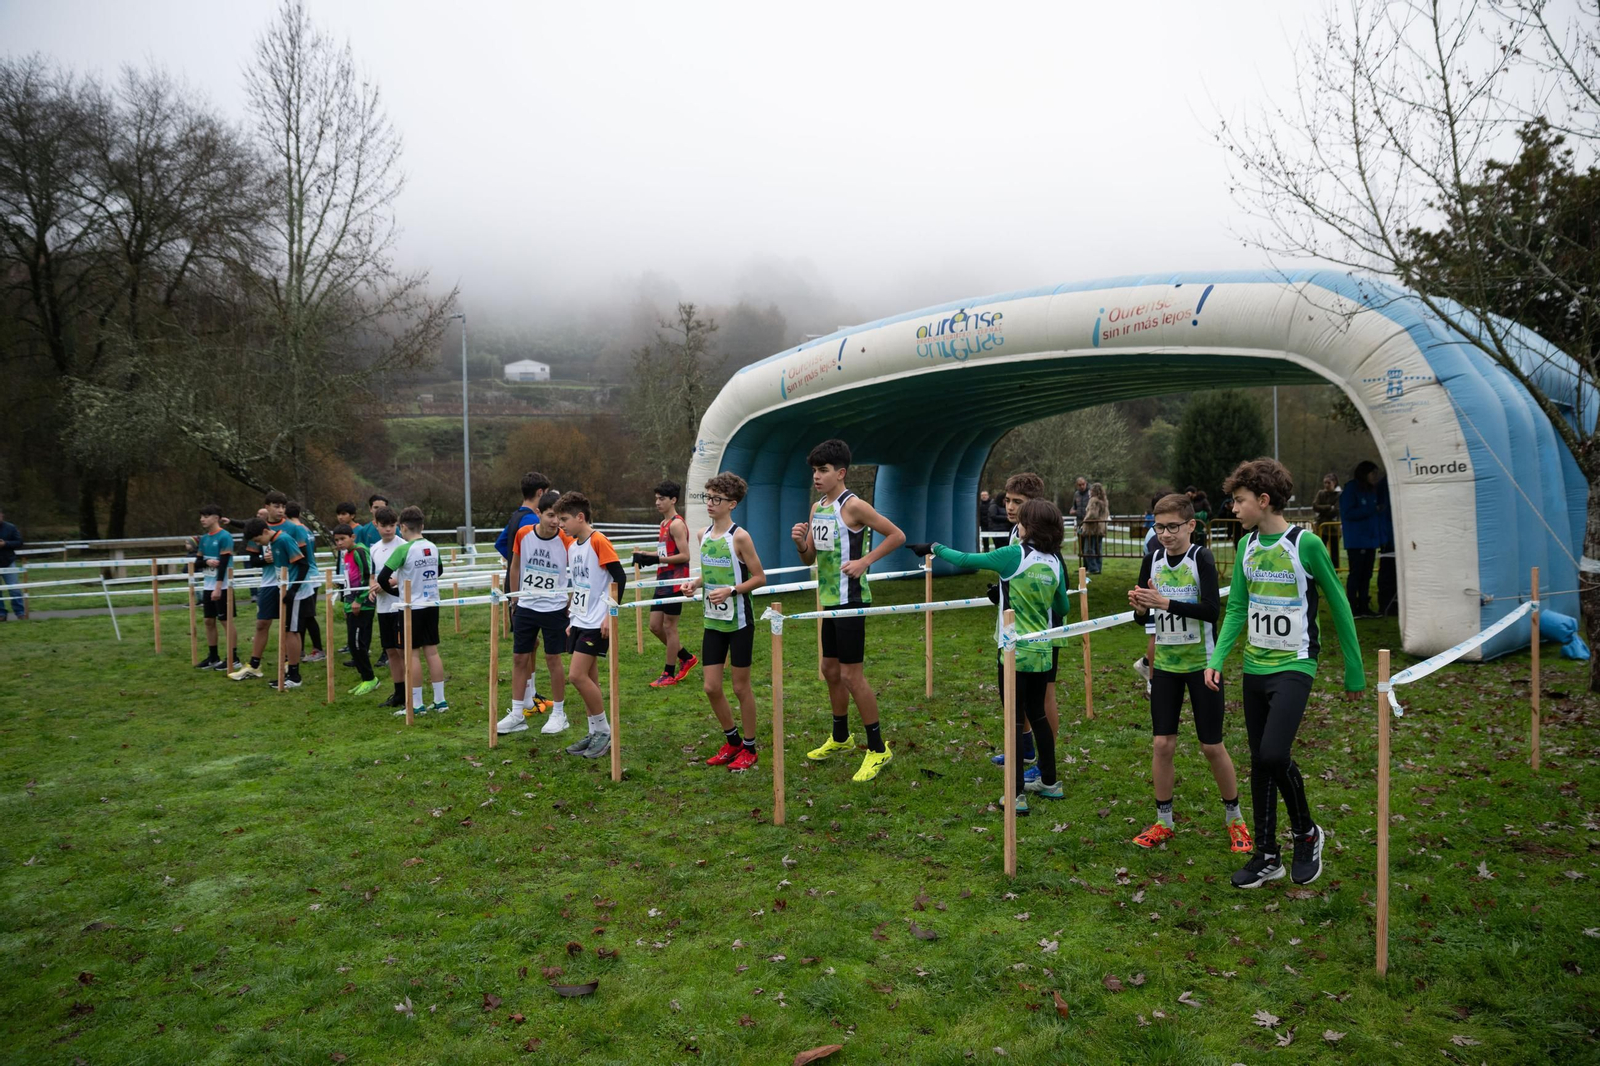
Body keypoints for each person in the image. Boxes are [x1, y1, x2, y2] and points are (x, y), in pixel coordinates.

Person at [1206, 458, 1364, 889]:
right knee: (1259, 761)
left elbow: (1339, 603)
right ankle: (1266, 855)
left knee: (1274, 754)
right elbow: (1238, 607)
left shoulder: (1305, 544)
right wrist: (1217, 658)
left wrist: (1355, 670)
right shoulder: (1246, 548)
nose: (1233, 509)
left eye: (1239, 501)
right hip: (1254, 666)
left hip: (1295, 664)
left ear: (1263, 500)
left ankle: (1307, 833)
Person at [911, 498, 1071, 814]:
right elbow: (1063, 608)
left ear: (1029, 527)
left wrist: (934, 547)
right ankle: (1050, 782)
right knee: (1037, 715)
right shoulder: (1054, 562)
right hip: (1042, 651)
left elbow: (966, 559)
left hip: (1013, 652)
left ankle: (1015, 795)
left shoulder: (1014, 554)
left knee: (1013, 720)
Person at [1127, 493, 1250, 854]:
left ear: (1191, 525)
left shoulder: (1202, 558)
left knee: (1211, 745)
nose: (1165, 534)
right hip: (1165, 665)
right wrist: (1139, 607)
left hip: (1202, 665)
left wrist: (1165, 602)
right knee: (1162, 744)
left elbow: (1212, 611)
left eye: (1172, 527)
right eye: (1158, 526)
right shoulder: (1152, 560)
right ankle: (1163, 821)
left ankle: (1236, 819)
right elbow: (1143, 617)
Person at [791, 439, 906, 783]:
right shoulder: (817, 508)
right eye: (814, 470)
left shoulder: (854, 506)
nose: (817, 476)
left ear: (840, 473)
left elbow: (896, 535)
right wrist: (800, 544)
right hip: (829, 599)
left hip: (852, 600)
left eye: (823, 470)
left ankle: (877, 748)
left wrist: (865, 561)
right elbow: (811, 557)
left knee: (852, 675)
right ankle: (841, 738)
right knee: (829, 669)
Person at [690, 472, 767, 771]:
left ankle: (749, 746)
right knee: (711, 687)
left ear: (731, 504)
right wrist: (696, 585)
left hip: (739, 622)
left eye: (716, 499)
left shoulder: (740, 537)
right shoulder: (703, 535)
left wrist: (732, 590)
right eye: (707, 497)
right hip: (713, 620)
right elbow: (709, 574)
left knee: (740, 687)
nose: (709, 503)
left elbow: (759, 578)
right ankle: (732, 741)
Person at [987, 472, 1059, 786]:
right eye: (1008, 500)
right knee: (1016, 701)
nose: (1011, 507)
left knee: (1043, 700)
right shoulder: (1014, 534)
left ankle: (1045, 766)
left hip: (1045, 633)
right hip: (1012, 631)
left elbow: (1056, 593)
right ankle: (1025, 749)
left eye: (1019, 502)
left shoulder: (1046, 540)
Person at [555, 491, 629, 759]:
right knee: (590, 678)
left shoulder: (599, 541)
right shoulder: (573, 546)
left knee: (576, 676)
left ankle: (605, 732)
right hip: (580, 620)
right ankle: (594, 731)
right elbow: (581, 585)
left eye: (564, 519)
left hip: (597, 622)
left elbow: (619, 578)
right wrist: (572, 617)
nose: (560, 524)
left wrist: (609, 614)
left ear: (580, 517)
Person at [498, 490, 573, 736]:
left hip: (554, 608)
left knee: (553, 659)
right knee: (520, 658)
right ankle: (517, 713)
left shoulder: (566, 539)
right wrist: (514, 597)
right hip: (527, 606)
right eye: (551, 515)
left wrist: (571, 603)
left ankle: (559, 713)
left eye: (559, 517)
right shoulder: (523, 534)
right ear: (538, 513)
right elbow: (516, 565)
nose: (555, 522)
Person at [374, 506, 449, 716]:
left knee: (412, 655)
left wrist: (395, 593)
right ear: (422, 526)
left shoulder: (403, 549)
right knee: (432, 652)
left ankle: (416, 705)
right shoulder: (433, 546)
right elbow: (439, 570)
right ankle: (440, 701)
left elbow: (382, 578)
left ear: (402, 527)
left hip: (411, 607)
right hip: (431, 604)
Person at [630, 481, 698, 688]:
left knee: (669, 627)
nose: (657, 502)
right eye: (656, 498)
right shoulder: (663, 524)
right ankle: (686, 657)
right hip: (663, 580)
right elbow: (664, 553)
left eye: (662, 498)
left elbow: (685, 555)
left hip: (676, 580)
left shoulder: (677, 524)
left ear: (673, 500)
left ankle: (668, 673)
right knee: (654, 626)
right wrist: (646, 556)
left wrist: (656, 560)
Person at [242, 514, 318, 690]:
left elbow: (303, 564)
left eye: (257, 539)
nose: (258, 543)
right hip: (284, 589)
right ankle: (289, 673)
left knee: (292, 632)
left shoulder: (284, 539)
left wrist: (293, 590)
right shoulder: (273, 542)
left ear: (265, 531)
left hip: (296, 593)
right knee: (287, 631)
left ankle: (294, 675)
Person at [229, 491, 289, 680]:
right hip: (269, 583)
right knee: (262, 623)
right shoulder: (258, 528)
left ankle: (289, 662)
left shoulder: (290, 527)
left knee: (289, 625)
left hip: (288, 582)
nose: (280, 510)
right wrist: (265, 559)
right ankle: (254, 666)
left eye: (282, 506)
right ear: (267, 507)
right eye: (276, 506)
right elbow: (253, 560)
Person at [332, 523, 381, 696]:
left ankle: (370, 679)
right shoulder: (347, 554)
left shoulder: (360, 551)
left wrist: (359, 600)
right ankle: (365, 678)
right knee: (353, 644)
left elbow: (367, 575)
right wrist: (346, 601)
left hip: (363, 603)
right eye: (336, 540)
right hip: (351, 602)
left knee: (357, 644)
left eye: (343, 539)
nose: (339, 543)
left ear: (352, 537)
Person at [367, 507, 408, 708]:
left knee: (403, 651)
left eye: (392, 525)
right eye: (384, 526)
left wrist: (388, 583)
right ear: (376, 525)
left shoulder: (404, 545)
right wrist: (372, 588)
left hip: (400, 604)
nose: (389, 530)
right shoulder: (374, 548)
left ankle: (411, 691)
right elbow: (373, 575)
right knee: (390, 650)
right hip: (383, 607)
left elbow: (407, 573)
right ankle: (398, 692)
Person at [1339, 461, 1384, 618]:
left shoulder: (1372, 490)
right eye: (1373, 474)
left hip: (1370, 540)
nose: (1375, 477)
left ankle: (1364, 605)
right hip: (1357, 541)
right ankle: (1352, 606)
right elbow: (1347, 513)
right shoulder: (1352, 489)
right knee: (1356, 574)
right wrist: (1371, 510)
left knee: (1367, 575)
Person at [193, 504, 233, 670]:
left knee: (225, 621)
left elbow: (223, 564)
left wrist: (218, 587)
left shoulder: (225, 537)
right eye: (201, 516)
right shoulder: (203, 539)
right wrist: (207, 562)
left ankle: (233, 656)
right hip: (208, 584)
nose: (202, 519)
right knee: (209, 621)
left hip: (223, 586)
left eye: (206, 516)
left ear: (216, 518)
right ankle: (213, 656)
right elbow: (197, 563)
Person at [284, 500, 325, 662]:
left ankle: (318, 649)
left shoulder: (295, 530)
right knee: (303, 615)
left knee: (307, 616)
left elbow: (300, 555)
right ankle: (299, 650)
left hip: (307, 576)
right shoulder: (306, 528)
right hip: (311, 573)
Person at [1311, 474, 1341, 568]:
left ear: (1334, 483)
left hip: (1334, 529)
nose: (1326, 485)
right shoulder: (1321, 493)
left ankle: (1335, 570)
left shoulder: (1339, 495)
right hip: (1321, 527)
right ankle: (1319, 568)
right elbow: (1315, 506)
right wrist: (1328, 507)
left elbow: (1336, 510)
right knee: (1319, 550)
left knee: (1334, 552)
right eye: (1325, 482)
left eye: (1329, 482)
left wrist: (1323, 510)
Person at [0, 507, 24, 621]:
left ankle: (20, 612)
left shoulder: (10, 527)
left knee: (14, 589)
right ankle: (1, 614)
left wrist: (5, 544)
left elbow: (19, 542)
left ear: (2, 515)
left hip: (8, 562)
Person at [1081, 482, 1109, 574]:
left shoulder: (1093, 500)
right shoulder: (1104, 501)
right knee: (1098, 549)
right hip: (1101, 527)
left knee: (1089, 549)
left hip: (1092, 528)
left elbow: (1092, 514)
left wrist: (1085, 520)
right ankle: (1098, 567)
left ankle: (1093, 568)